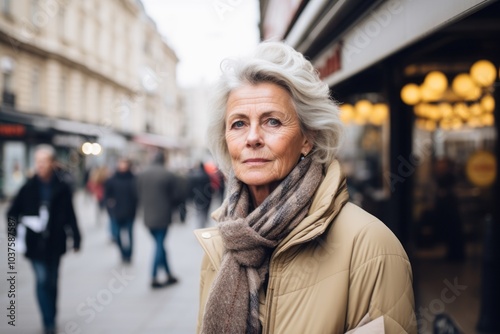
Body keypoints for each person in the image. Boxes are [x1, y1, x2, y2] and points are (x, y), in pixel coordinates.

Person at [195, 41, 417, 333]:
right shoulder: (222, 243)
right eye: (238, 124)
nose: (252, 138)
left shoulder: (370, 247)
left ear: (307, 138)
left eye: (272, 121)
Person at [6, 144, 81, 334]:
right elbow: (12, 213)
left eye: (44, 161)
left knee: (53, 281)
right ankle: (47, 320)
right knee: (42, 279)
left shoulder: (62, 187)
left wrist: (77, 237)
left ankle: (52, 314)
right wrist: (13, 234)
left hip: (55, 242)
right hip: (34, 242)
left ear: (52, 163)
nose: (40, 165)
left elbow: (70, 214)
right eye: (37, 161)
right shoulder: (28, 187)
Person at [136, 152, 179, 288]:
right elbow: (176, 195)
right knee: (159, 245)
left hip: (148, 216)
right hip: (163, 215)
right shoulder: (167, 174)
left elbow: (137, 193)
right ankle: (154, 277)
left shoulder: (142, 174)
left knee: (160, 244)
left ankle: (168, 274)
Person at [104, 157, 138, 264]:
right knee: (117, 235)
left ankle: (129, 254)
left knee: (129, 235)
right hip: (116, 212)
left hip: (130, 211)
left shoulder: (134, 179)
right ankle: (123, 253)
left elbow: (137, 195)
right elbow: (107, 196)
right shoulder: (112, 179)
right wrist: (110, 206)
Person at [190, 162, 214, 228]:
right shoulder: (207, 176)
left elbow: (192, 188)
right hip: (207, 197)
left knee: (199, 211)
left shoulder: (195, 176)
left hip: (198, 198)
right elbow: (210, 188)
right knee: (205, 211)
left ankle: (200, 225)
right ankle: (203, 223)